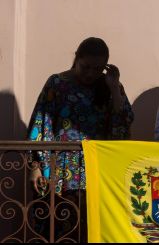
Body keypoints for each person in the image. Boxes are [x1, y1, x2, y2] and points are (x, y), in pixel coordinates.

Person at [27, 37, 133, 239]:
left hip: (97, 168)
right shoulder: (57, 84)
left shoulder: (110, 87)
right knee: (57, 228)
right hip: (59, 167)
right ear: (76, 58)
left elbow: (124, 122)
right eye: (86, 67)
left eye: (97, 68)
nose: (91, 73)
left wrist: (113, 87)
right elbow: (41, 124)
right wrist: (35, 167)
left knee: (94, 229)